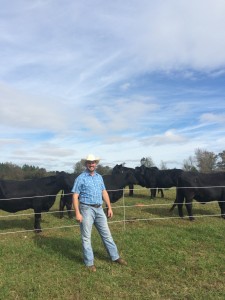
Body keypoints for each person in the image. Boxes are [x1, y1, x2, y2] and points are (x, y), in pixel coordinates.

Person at [72, 154, 127, 272]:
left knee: (106, 234)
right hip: (86, 209)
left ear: (96, 164)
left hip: (99, 209)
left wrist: (109, 207)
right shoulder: (81, 178)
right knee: (86, 237)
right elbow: (75, 195)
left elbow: (104, 192)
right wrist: (77, 212)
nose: (91, 164)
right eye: (89, 162)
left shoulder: (99, 177)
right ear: (86, 164)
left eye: (93, 162)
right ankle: (89, 262)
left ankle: (115, 257)